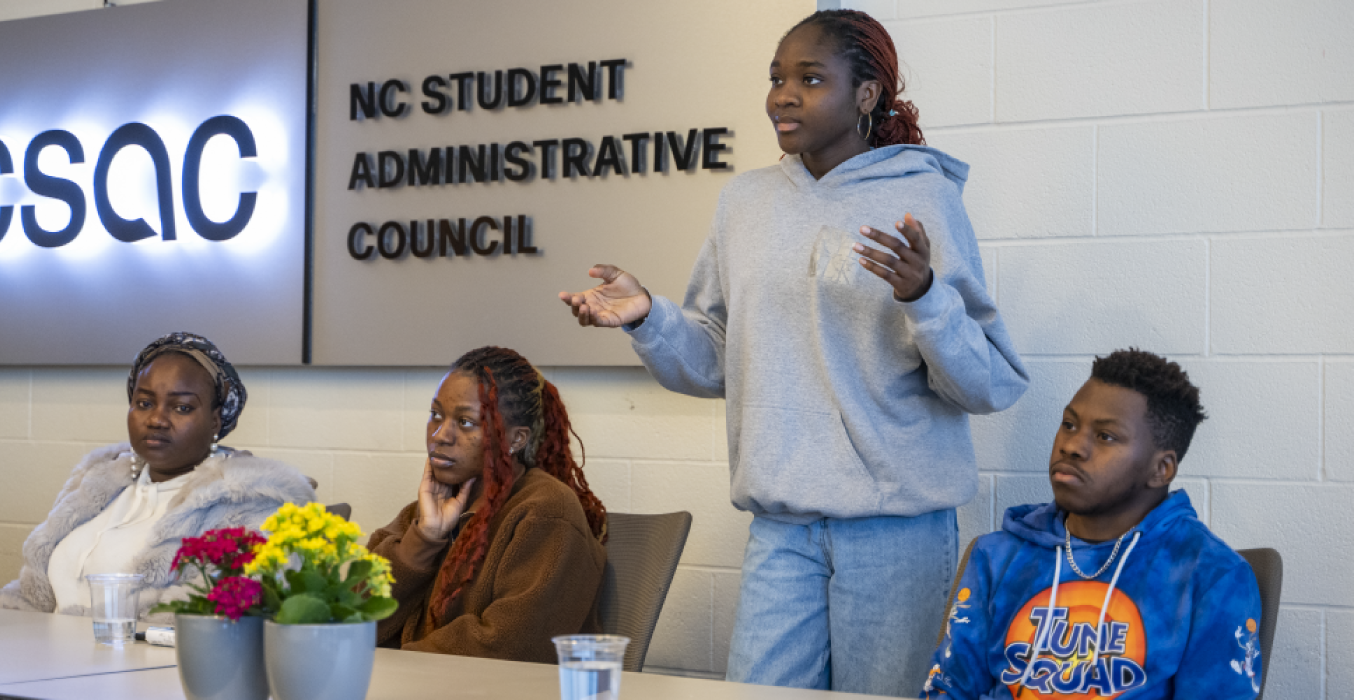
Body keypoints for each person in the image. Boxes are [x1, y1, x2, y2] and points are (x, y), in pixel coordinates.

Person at [558, 9, 1027, 696]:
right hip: (781, 529)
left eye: (810, 78)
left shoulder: (922, 197)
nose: (784, 94)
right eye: (777, 77)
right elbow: (719, 356)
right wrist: (649, 316)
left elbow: (989, 384)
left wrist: (925, 295)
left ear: (867, 95)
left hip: (894, 535)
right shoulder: (745, 202)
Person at [922, 349, 1263, 699]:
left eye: (1105, 437)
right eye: (1069, 424)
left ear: (1161, 469)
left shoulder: (1210, 575)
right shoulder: (997, 556)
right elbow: (948, 689)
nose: (1071, 445)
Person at [0, 332, 316, 620]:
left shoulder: (250, 507)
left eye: (182, 407)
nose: (156, 419)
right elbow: (32, 595)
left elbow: (214, 624)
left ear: (215, 420)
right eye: (143, 403)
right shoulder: (98, 482)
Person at [368, 346, 607, 663]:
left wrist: (392, 666)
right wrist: (423, 540)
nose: (440, 435)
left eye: (465, 422)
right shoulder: (426, 510)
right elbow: (348, 618)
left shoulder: (546, 511)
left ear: (515, 440)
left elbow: (507, 646)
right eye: (436, 415)